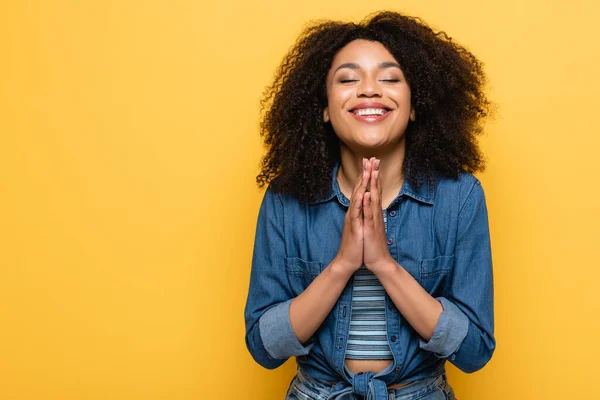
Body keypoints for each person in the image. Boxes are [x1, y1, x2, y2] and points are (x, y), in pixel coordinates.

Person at [244, 10, 495, 400]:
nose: (369, 90)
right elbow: (264, 347)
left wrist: (383, 264)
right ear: (324, 109)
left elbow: (475, 351)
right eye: (347, 79)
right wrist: (343, 263)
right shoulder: (285, 199)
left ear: (415, 105)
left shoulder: (459, 197)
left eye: (390, 78)